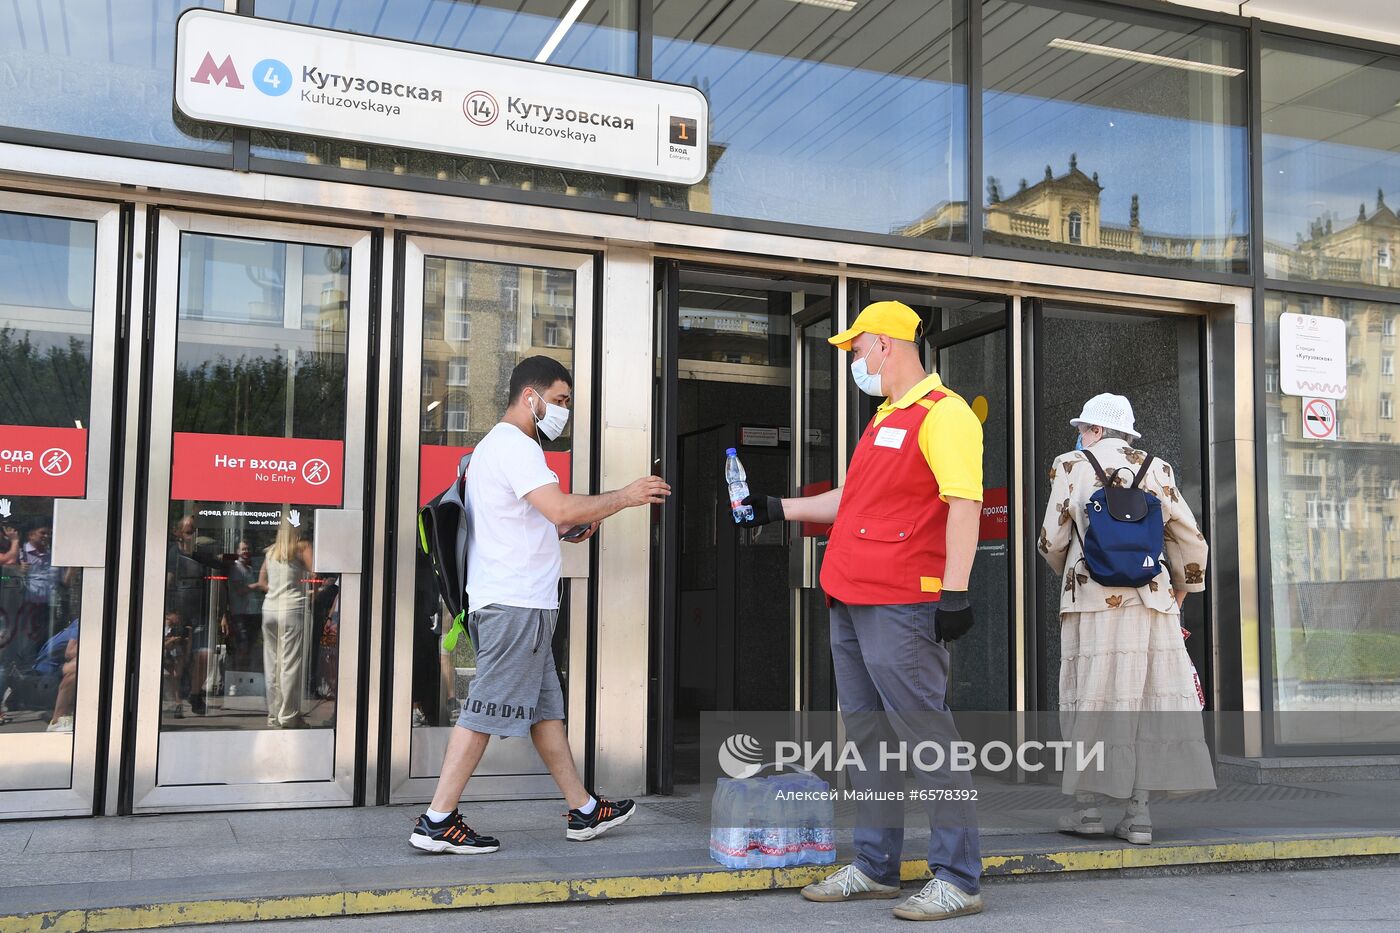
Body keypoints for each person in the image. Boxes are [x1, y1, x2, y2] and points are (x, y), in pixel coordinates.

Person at [740, 301, 987, 921]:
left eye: (856, 349)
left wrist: (954, 592)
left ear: (885, 345)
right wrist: (777, 508)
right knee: (871, 739)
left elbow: (964, 505)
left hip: (904, 599)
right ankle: (877, 867)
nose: (853, 360)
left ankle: (959, 877)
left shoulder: (946, 414)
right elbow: (851, 498)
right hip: (851, 594)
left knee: (928, 737)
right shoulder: (883, 417)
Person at [410, 355, 670, 854]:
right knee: (484, 709)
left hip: (516, 605)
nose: (563, 411)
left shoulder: (493, 448)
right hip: (515, 609)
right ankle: (437, 819)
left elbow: (534, 520)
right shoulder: (517, 447)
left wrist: (567, 527)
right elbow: (561, 506)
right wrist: (626, 495)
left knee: (546, 712)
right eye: (559, 400)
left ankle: (584, 809)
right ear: (531, 397)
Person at [1037, 393, 1214, 846]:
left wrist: (1075, 570)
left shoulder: (1070, 464)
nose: (1080, 434)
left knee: (1090, 699)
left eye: (1083, 427)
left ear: (1095, 430)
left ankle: (1088, 810)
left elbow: (1051, 539)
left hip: (1090, 601)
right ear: (1126, 432)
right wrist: (1178, 591)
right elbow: (1191, 541)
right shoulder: (1159, 468)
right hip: (1152, 603)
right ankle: (1139, 816)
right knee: (1144, 702)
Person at [258, 519, 314, 729]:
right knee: (290, 665)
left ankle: (273, 715)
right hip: (292, 609)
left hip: (269, 609)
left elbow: (263, 582)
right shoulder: (302, 547)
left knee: (272, 664)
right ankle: (289, 716)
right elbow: (316, 571)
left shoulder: (271, 551)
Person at [224, 540, 263, 673]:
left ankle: (245, 675)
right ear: (237, 551)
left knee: (250, 645)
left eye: (247, 549)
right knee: (243, 645)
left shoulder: (250, 569)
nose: (246, 552)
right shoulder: (236, 568)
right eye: (243, 549)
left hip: (251, 613)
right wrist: (258, 585)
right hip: (239, 613)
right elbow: (239, 590)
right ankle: (237, 674)